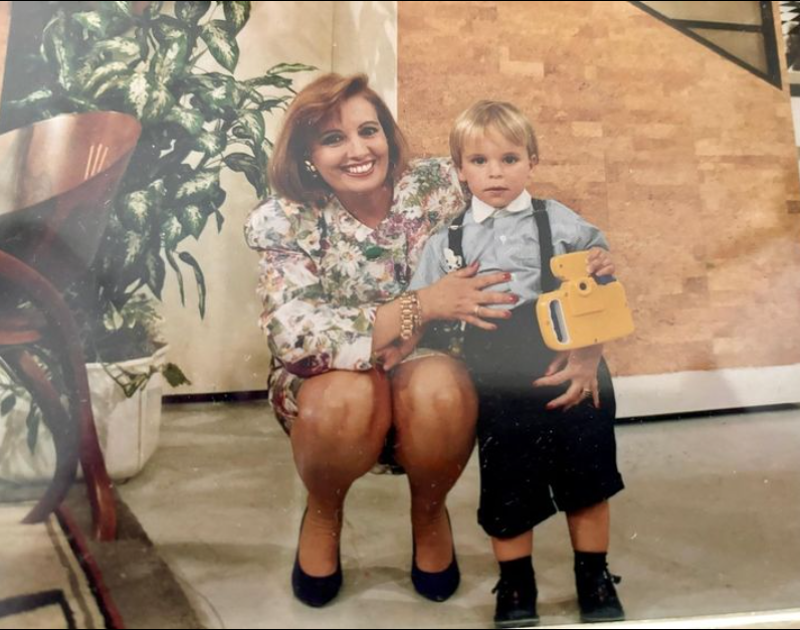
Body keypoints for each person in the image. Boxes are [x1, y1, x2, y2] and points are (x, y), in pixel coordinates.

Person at [244, 74, 516, 607]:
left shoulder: (441, 184)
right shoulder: (284, 219)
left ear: (388, 134)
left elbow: (520, 216)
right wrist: (420, 305)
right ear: (306, 155)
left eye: (369, 130)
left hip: (433, 360)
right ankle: (323, 513)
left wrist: (582, 250)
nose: (358, 150)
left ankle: (429, 511)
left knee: (440, 390)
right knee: (347, 397)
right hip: (332, 375)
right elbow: (296, 335)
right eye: (332, 138)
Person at [408, 100, 625, 627]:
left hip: (573, 358)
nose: (495, 172)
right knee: (508, 484)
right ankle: (516, 584)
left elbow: (600, 285)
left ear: (532, 161)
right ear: (459, 169)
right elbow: (423, 307)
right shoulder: (446, 243)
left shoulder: (561, 221)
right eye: (479, 161)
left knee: (588, 478)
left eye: (509, 158)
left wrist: (586, 357)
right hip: (498, 377)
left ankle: (593, 576)